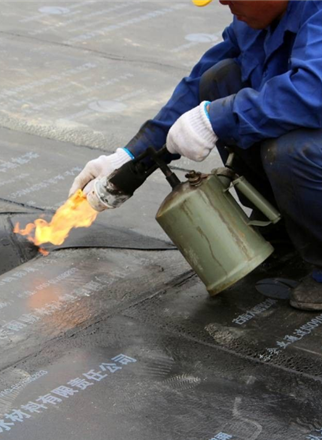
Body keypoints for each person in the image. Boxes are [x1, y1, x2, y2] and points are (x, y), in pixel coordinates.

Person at [69, 0, 322, 311]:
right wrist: (130, 156)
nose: (223, 2)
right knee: (219, 79)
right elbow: (195, 88)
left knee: (290, 152)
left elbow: (312, 91)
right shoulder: (255, 20)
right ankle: (285, 230)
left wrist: (217, 118)